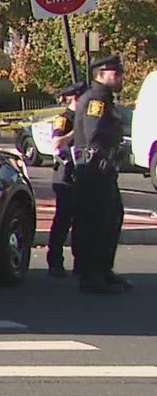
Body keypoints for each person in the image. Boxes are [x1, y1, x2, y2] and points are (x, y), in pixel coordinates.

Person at [68, 54, 130, 295]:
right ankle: (91, 275)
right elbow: (93, 137)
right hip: (95, 171)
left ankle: (104, 270)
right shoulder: (96, 100)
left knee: (111, 219)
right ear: (101, 75)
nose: (120, 77)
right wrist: (104, 158)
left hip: (102, 170)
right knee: (96, 222)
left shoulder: (104, 99)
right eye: (116, 73)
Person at [43, 81, 85, 278]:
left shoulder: (84, 117)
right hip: (66, 176)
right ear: (76, 98)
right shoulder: (65, 118)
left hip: (81, 175)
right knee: (63, 220)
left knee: (82, 221)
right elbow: (56, 142)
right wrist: (75, 133)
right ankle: (55, 261)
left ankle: (80, 262)